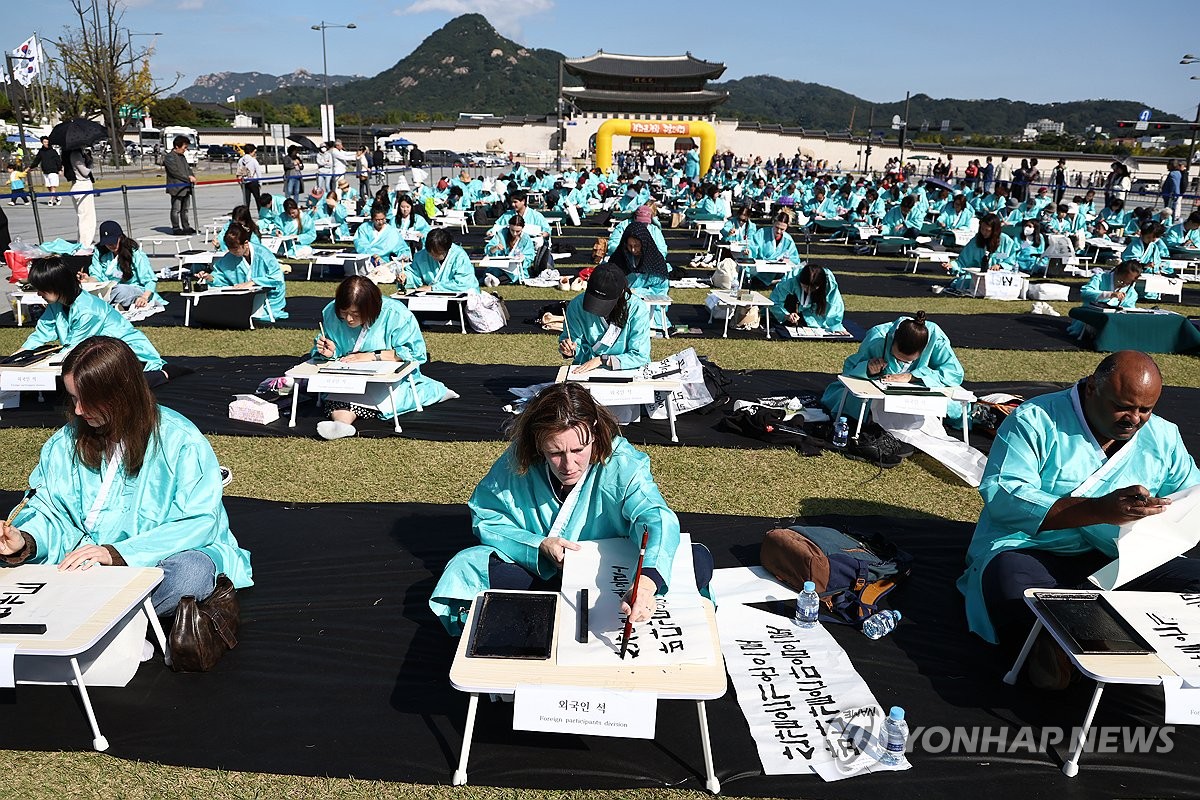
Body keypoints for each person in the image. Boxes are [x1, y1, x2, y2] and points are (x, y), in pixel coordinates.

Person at [957, 351, 1200, 660]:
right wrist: (1097, 510)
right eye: (1122, 407)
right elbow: (1004, 494)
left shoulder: (1164, 436)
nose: (1134, 419)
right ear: (1091, 388)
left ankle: (1080, 641)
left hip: (1120, 558)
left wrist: (1158, 515)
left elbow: (1190, 495)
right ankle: (1065, 649)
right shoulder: (1035, 419)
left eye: (1145, 409)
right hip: (1034, 550)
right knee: (1011, 583)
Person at [0, 336, 252, 617]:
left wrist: (118, 554)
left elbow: (197, 523)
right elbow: (48, 510)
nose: (79, 411)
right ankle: (119, 615)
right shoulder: (64, 444)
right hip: (80, 560)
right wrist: (25, 540)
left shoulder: (181, 441)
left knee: (190, 574)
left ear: (122, 394)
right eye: (73, 398)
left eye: (89, 400)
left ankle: (91, 611)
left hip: (157, 557)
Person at [429, 382, 690, 636]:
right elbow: (486, 515)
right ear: (538, 443)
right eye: (555, 453)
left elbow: (656, 518)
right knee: (466, 565)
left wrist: (644, 584)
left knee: (695, 560)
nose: (568, 465)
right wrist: (538, 545)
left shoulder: (623, 464)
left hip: (610, 579)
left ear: (596, 433)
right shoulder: (518, 459)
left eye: (578, 449)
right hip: (539, 570)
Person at [310, 276, 455, 440]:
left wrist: (372, 356)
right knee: (338, 396)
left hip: (388, 376)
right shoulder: (331, 312)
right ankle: (342, 425)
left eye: (355, 314)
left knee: (382, 397)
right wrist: (330, 352)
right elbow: (330, 344)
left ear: (370, 309)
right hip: (348, 375)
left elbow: (414, 352)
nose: (349, 319)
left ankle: (344, 422)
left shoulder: (396, 314)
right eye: (344, 313)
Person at [19, 257, 167, 381]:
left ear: (58, 286)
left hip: (130, 356)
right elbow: (42, 332)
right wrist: (19, 355)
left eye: (41, 289)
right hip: (101, 355)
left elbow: (74, 348)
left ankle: (163, 374)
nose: (38, 294)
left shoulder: (89, 310)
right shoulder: (56, 304)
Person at [820, 311, 964, 421]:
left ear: (923, 349)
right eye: (896, 356)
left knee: (954, 405)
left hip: (916, 393)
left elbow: (954, 373)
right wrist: (868, 368)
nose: (902, 363)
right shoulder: (878, 337)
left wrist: (912, 376)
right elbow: (849, 369)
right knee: (849, 399)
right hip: (880, 395)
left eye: (908, 361)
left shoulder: (935, 338)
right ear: (892, 340)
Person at [558, 262, 650, 373]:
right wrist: (569, 349)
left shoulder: (637, 308)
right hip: (586, 370)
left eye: (604, 302)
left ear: (620, 293)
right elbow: (574, 341)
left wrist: (603, 360)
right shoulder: (577, 305)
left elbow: (640, 355)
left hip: (630, 370)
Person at [197, 223, 288, 321]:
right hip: (242, 297)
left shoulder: (264, 254)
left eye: (235, 248)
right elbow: (222, 275)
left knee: (256, 315)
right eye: (230, 249)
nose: (232, 252)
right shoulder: (230, 257)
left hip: (269, 297)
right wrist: (210, 277)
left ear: (245, 243)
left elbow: (277, 278)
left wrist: (253, 282)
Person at [89, 221, 166, 310]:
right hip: (107, 289)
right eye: (107, 243)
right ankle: (109, 304)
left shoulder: (135, 253)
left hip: (132, 289)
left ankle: (102, 305)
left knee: (121, 290)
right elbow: (96, 275)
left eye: (113, 242)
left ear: (120, 238)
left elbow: (150, 280)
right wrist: (87, 280)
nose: (111, 245)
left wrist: (144, 297)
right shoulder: (99, 252)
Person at [769, 263, 845, 331]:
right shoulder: (790, 279)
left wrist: (835, 326)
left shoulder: (829, 282)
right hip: (791, 305)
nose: (808, 291)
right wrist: (786, 315)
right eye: (805, 287)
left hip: (815, 311)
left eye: (813, 288)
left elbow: (835, 304)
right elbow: (775, 300)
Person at [402, 227, 478, 294]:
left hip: (460, 296)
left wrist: (433, 288)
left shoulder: (459, 256)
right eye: (430, 253)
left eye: (437, 253)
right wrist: (405, 278)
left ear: (447, 248)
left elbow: (464, 283)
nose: (433, 256)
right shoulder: (421, 255)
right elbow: (414, 274)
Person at [482, 213, 536, 285]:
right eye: (512, 230)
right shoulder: (501, 234)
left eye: (518, 231)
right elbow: (488, 249)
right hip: (499, 266)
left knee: (515, 275)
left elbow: (530, 256)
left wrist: (523, 257)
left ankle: (494, 280)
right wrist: (495, 248)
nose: (514, 233)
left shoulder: (526, 239)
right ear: (509, 226)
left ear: (522, 228)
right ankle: (493, 279)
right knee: (493, 271)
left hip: (516, 269)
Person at [163, 135, 197, 235]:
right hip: (176, 187)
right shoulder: (169, 157)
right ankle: (176, 228)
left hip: (186, 187)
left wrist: (192, 176)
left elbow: (188, 169)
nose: (185, 150)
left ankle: (186, 226)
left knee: (185, 209)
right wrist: (188, 178)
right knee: (176, 209)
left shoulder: (182, 157)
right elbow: (175, 172)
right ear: (177, 146)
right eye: (184, 147)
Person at [32, 136, 62, 206]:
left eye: (47, 142)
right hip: (45, 171)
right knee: (48, 186)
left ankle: (51, 200)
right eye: (45, 142)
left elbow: (58, 161)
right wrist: (31, 167)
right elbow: (37, 160)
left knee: (53, 186)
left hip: (53, 171)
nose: (46, 143)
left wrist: (59, 169)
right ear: (42, 143)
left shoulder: (53, 151)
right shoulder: (41, 151)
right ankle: (57, 197)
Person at [236, 143, 263, 208]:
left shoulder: (241, 160)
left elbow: (238, 171)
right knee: (258, 199)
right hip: (253, 181)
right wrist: (260, 183)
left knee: (246, 201)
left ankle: (246, 215)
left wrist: (240, 182)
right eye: (254, 151)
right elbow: (258, 172)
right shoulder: (253, 160)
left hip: (244, 182)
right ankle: (261, 214)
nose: (254, 153)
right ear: (251, 151)